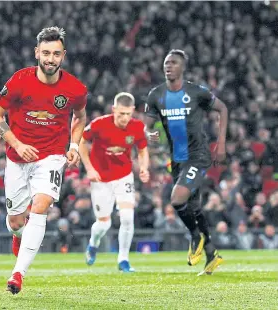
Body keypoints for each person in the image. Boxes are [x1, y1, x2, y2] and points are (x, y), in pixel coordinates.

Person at [0, 26, 87, 294]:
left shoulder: (75, 88)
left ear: (63, 56)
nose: (50, 59)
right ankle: (17, 235)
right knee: (16, 221)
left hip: (52, 157)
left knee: (40, 206)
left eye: (56, 54)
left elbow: (80, 117)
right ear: (36, 53)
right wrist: (17, 144)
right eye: (45, 53)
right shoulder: (20, 80)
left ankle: (17, 274)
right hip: (17, 158)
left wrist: (75, 146)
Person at [144, 49, 228, 276]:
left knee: (177, 199)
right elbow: (147, 126)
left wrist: (220, 144)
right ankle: (211, 255)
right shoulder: (156, 95)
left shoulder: (195, 92)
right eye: (166, 63)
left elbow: (222, 108)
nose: (168, 66)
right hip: (177, 160)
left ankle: (195, 236)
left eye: (173, 63)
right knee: (193, 207)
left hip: (198, 156)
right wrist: (148, 133)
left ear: (182, 67)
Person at [80, 92, 150, 272]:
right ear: (113, 110)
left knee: (127, 218)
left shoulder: (137, 127)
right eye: (121, 114)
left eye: (128, 114)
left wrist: (143, 167)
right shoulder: (99, 124)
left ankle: (123, 260)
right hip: (101, 179)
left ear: (133, 111)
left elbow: (142, 150)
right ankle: (93, 244)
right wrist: (89, 168)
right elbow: (82, 142)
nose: (125, 118)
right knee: (104, 224)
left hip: (123, 176)